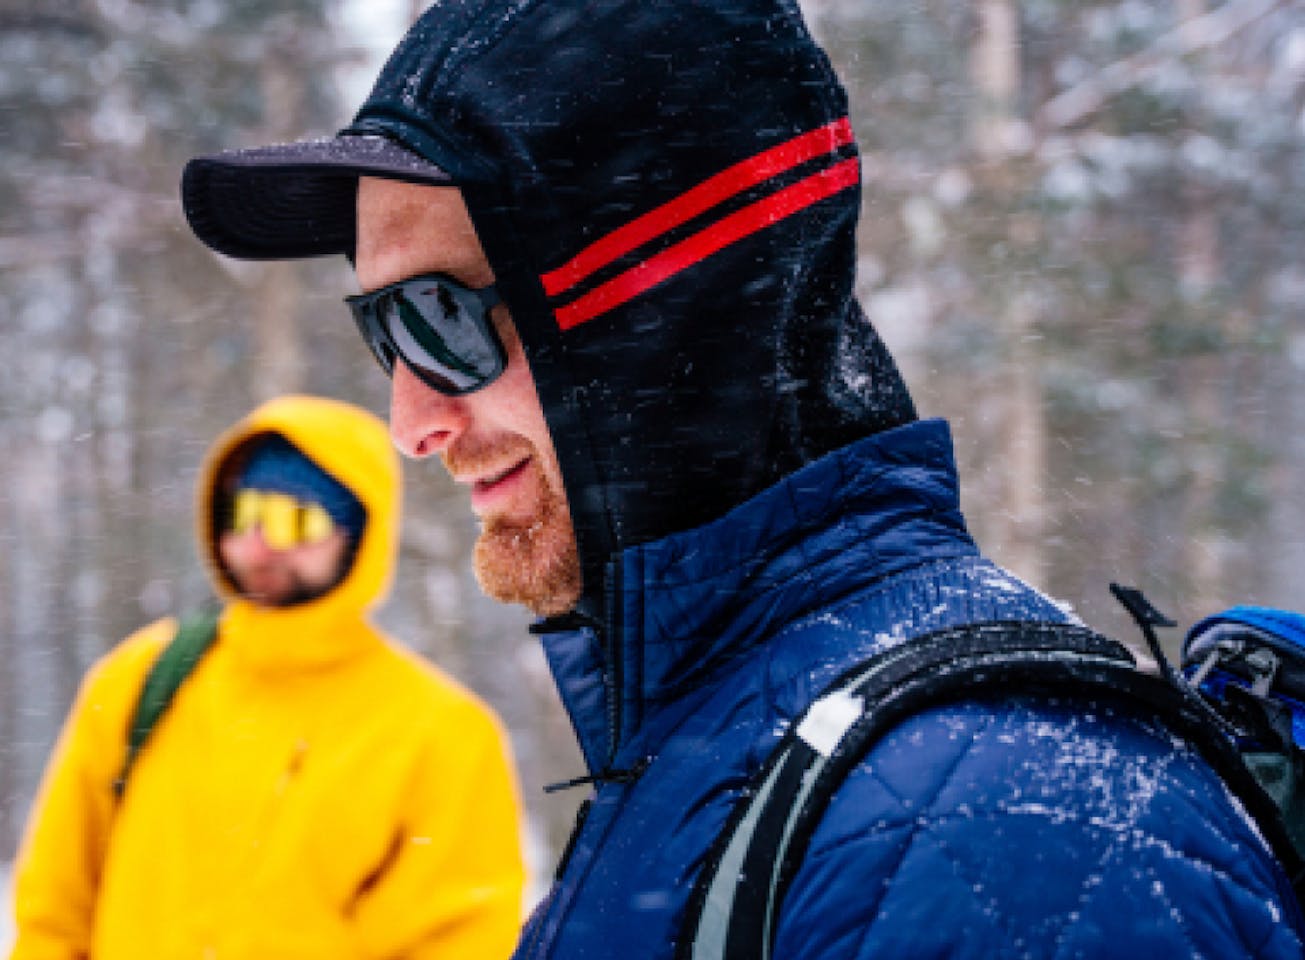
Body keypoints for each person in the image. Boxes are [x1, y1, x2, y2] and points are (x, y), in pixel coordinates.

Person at [179, 2, 1304, 956]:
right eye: (383, 333)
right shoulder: (725, 748)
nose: (409, 421)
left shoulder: (1008, 838)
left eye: (438, 320)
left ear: (654, 316)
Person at [8, 394, 526, 960]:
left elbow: (458, 942)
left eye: (292, 521)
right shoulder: (139, 680)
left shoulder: (443, 735)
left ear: (357, 536)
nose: (259, 545)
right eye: (244, 515)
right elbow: (53, 914)